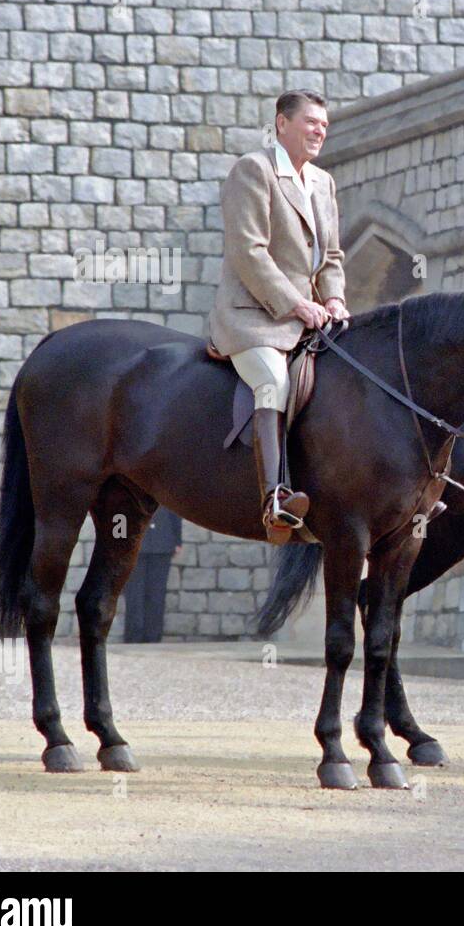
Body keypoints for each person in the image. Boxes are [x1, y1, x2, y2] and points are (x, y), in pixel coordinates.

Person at [207, 90, 350, 545]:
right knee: (273, 380)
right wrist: (294, 302)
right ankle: (275, 498)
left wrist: (334, 300)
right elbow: (249, 252)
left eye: (324, 126)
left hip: (309, 318)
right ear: (281, 124)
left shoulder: (323, 183)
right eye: (311, 122)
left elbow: (330, 256)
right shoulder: (254, 170)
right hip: (253, 316)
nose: (319, 131)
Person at [121, 506, 182, 644]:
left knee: (157, 595)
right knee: (134, 595)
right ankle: (134, 637)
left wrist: (177, 539)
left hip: (162, 542)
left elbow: (175, 510)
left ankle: (153, 637)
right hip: (133, 543)